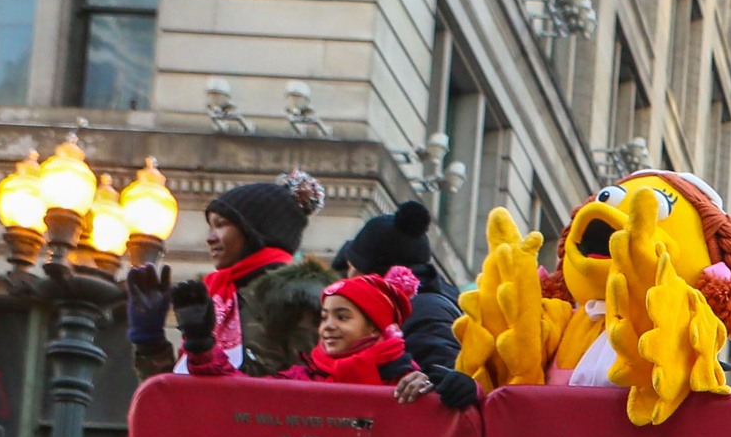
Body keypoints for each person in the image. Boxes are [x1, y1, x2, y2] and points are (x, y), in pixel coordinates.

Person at [131, 171, 332, 378]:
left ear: (254, 231)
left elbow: (307, 390)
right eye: (210, 226)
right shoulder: (214, 295)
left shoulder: (301, 297)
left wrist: (203, 347)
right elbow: (175, 400)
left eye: (220, 225)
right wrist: (150, 340)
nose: (210, 238)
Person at [334, 199, 478, 408]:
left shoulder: (425, 311)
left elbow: (447, 374)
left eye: (351, 267)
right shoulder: (423, 303)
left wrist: (435, 380)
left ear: (367, 274)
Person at [274, 268, 436, 396]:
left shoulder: (407, 384)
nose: (328, 326)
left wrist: (431, 387)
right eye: (324, 317)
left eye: (342, 317)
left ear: (373, 326)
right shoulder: (298, 378)